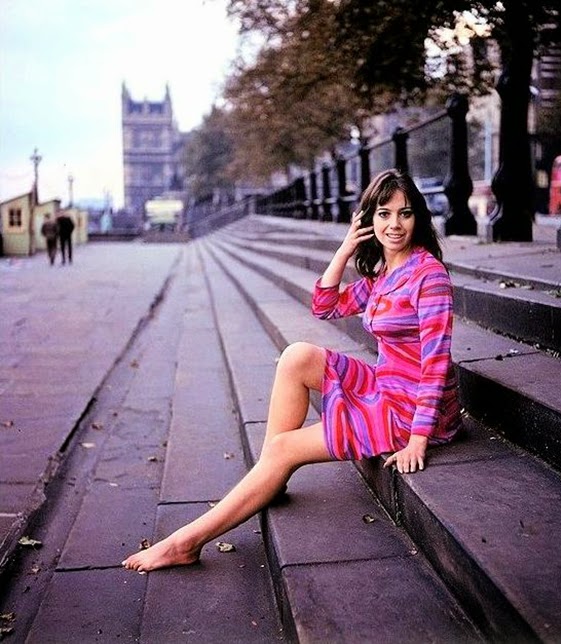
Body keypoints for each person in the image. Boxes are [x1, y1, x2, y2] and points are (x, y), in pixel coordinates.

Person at [122, 169, 463, 573]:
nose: (394, 225)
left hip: (412, 411)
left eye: (404, 214)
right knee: (296, 355)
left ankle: (186, 542)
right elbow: (325, 307)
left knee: (283, 448)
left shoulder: (429, 277)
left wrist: (419, 440)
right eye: (384, 214)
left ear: (418, 219)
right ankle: (272, 475)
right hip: (387, 384)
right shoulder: (385, 275)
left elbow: (437, 362)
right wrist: (343, 251)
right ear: (368, 219)